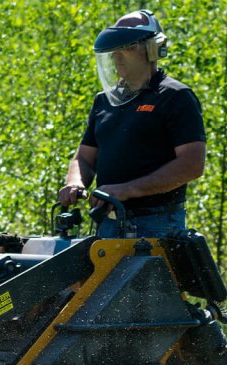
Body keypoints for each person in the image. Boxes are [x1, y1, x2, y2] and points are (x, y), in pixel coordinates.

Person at [57, 9, 205, 239]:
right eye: (114, 51)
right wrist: (75, 182)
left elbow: (192, 164)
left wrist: (127, 189)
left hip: (157, 224)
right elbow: (84, 157)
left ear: (153, 49)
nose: (117, 56)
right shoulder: (103, 100)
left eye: (126, 48)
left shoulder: (175, 96)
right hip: (107, 223)